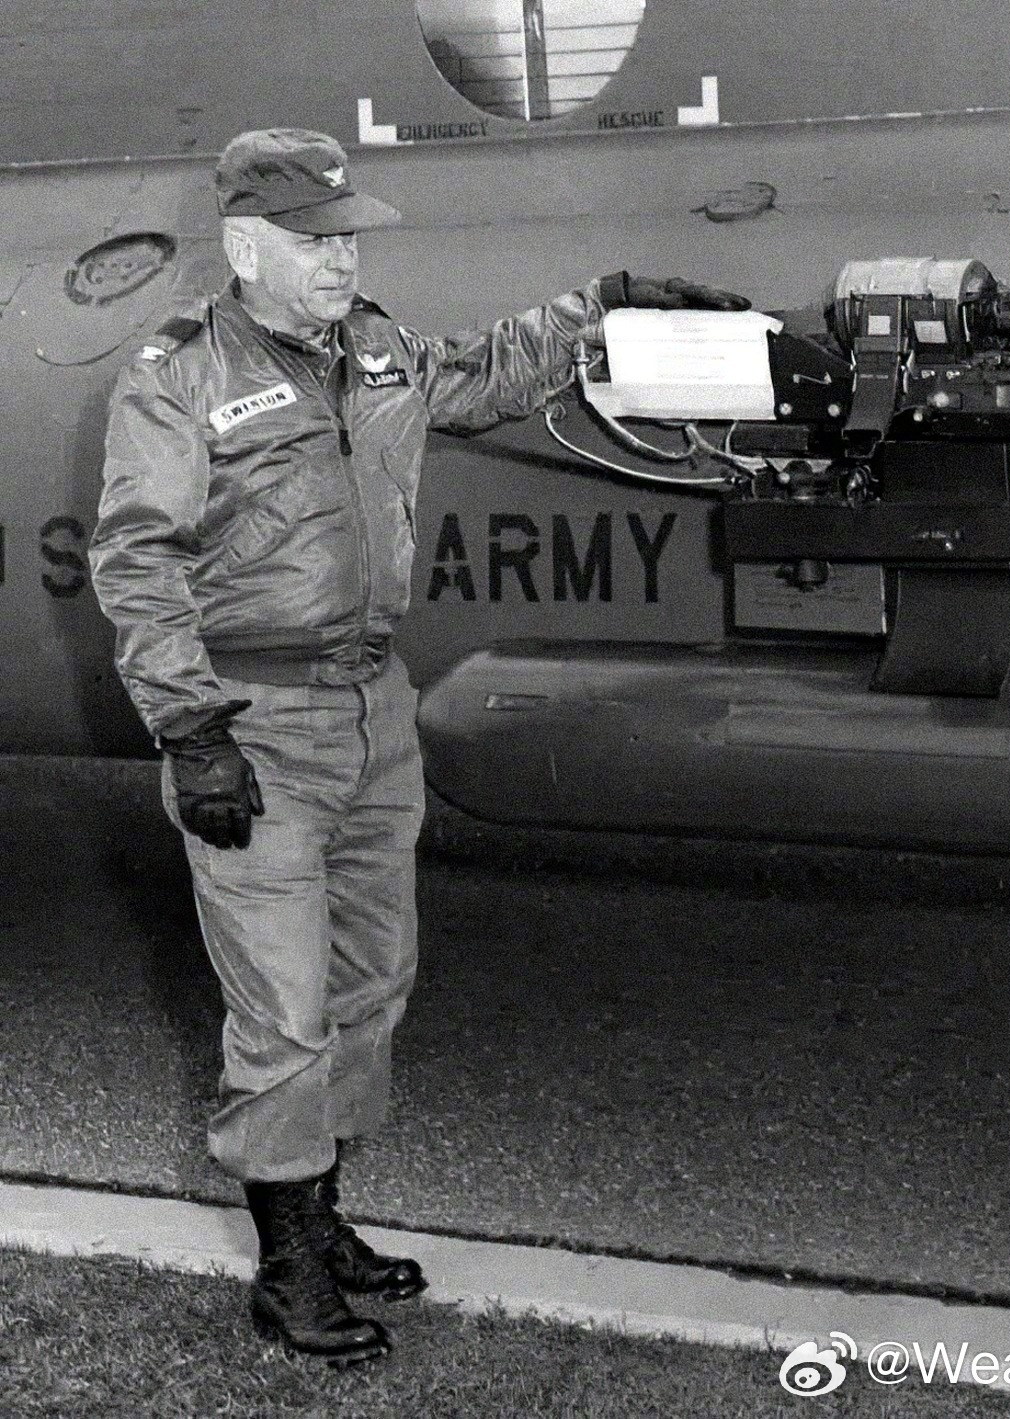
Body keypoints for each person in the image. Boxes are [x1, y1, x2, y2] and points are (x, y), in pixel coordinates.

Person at [87, 127, 748, 1367]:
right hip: (253, 720)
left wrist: (600, 306)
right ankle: (287, 1269)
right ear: (246, 246)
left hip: (372, 709)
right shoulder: (178, 377)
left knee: (368, 988)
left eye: (348, 237)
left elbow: (486, 374)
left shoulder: (377, 348)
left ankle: (323, 1215)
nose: (342, 260)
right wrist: (191, 729)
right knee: (281, 1014)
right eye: (315, 241)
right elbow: (138, 557)